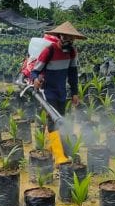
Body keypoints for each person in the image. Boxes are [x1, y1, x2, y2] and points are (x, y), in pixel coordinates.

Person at [30, 21, 86, 164]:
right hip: (47, 92)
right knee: (53, 120)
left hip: (61, 92)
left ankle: (58, 148)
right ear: (59, 36)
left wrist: (74, 93)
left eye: (71, 38)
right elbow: (35, 71)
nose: (69, 41)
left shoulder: (72, 52)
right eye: (66, 37)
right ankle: (59, 156)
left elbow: (72, 73)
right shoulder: (49, 50)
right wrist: (35, 79)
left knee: (61, 119)